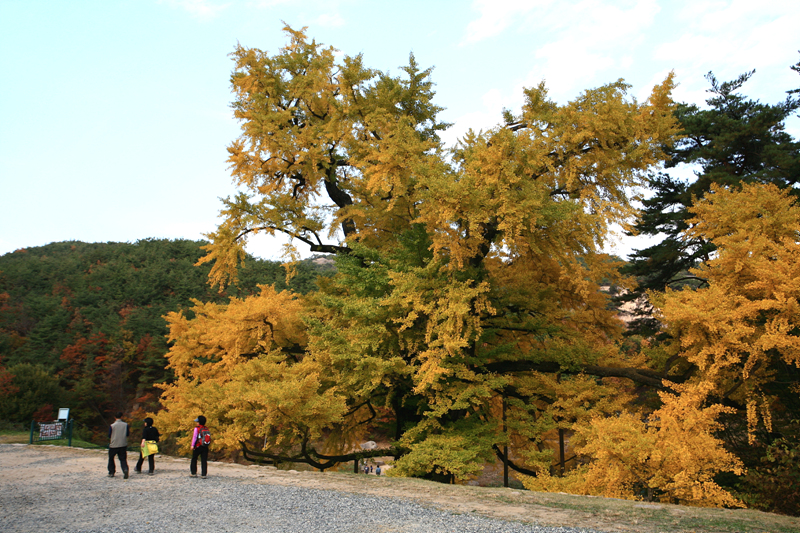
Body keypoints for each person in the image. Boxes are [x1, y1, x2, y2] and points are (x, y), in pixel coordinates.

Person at [108, 412, 130, 479]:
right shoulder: (126, 425)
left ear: (115, 417)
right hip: (123, 444)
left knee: (111, 458)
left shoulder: (112, 425)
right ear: (122, 417)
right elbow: (127, 434)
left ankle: (111, 472)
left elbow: (109, 435)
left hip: (114, 445)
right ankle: (125, 469)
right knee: (123, 459)